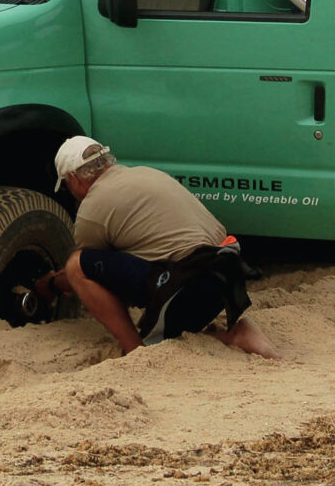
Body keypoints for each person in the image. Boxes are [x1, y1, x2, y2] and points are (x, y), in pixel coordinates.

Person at [38, 136, 278, 359]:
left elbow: (84, 273)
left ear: (74, 179)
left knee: (77, 265)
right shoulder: (146, 173)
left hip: (190, 283)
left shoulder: (93, 207)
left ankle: (137, 352)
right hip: (228, 274)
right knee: (175, 331)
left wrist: (51, 285)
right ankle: (227, 329)